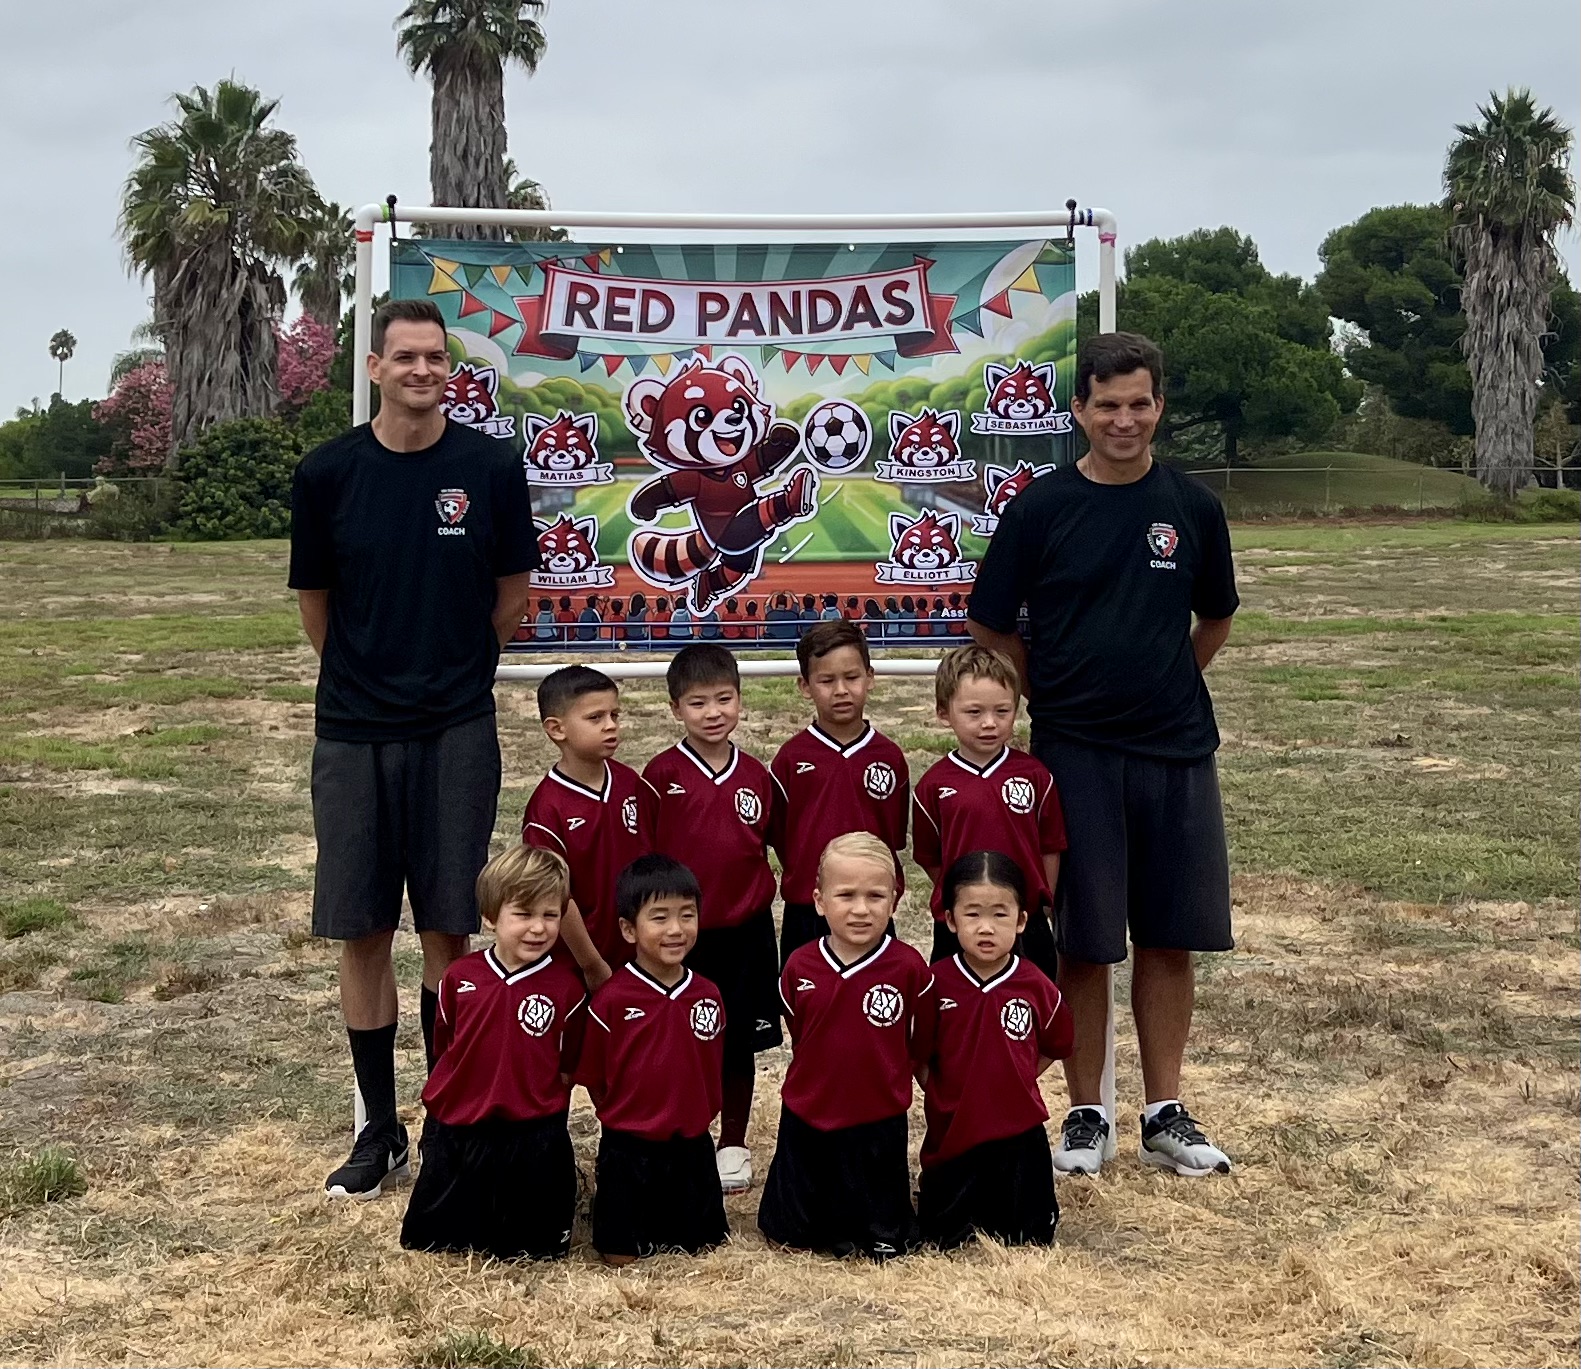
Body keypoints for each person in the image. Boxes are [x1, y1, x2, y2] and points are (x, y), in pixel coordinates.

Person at [968, 331, 1239, 1179]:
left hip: (1175, 749)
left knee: (1169, 935)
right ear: (1079, 409)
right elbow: (989, 620)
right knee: (1084, 939)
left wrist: (1164, 678)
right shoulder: (1040, 508)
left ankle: (1165, 1111)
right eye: (1106, 404)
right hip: (1075, 752)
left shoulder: (1191, 507)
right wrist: (1047, 691)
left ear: (1159, 405)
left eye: (1139, 402)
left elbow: (1216, 617)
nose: (1124, 419)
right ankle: (1086, 1113)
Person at [289, 298, 539, 1200]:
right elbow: (316, 605)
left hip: (455, 726)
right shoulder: (326, 473)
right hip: (353, 732)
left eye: (437, 357)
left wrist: (453, 671)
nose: (424, 370)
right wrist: (368, 677)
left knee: (447, 926)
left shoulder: (488, 466)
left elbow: (510, 593)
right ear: (374, 366)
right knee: (362, 929)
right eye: (407, 357)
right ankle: (376, 1128)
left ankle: (446, 1118)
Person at [399, 845, 586, 1260]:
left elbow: (569, 1063)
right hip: (462, 1129)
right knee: (436, 1243)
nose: (538, 928)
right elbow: (445, 1045)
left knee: (534, 1252)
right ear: (490, 916)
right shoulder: (458, 978)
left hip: (533, 1134)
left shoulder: (567, 988)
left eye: (550, 915)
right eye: (523, 914)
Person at [642, 645, 782, 1195]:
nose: (713, 712)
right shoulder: (661, 775)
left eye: (724, 699)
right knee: (679, 1036)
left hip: (745, 931)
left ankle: (734, 1143)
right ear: (677, 709)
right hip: (682, 937)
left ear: (740, 701)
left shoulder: (756, 775)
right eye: (698, 703)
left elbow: (774, 848)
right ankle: (680, 1132)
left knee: (736, 1041)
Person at [757, 833, 933, 1260]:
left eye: (875, 896)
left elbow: (921, 1040)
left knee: (881, 1240)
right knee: (793, 1237)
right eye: (846, 895)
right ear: (819, 901)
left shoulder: (909, 968)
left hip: (878, 1115)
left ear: (894, 901)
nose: (860, 909)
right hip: (809, 1112)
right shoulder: (799, 965)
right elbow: (802, 1030)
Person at [914, 851, 1073, 1249]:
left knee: (1029, 1238)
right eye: (972, 915)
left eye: (1000, 915)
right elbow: (917, 1056)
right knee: (942, 1237)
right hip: (953, 1131)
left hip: (1018, 1133)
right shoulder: (934, 985)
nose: (986, 928)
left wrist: (1014, 1079)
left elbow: (1056, 1044)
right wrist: (946, 1091)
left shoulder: (1036, 985)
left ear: (1021, 921)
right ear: (950, 920)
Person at [576, 855, 729, 1264]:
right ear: (629, 928)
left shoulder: (708, 994)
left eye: (687, 915)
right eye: (659, 918)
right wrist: (624, 1114)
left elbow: (712, 1066)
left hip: (691, 1147)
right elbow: (595, 1076)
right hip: (629, 1150)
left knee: (704, 1251)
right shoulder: (611, 1000)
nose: (676, 929)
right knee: (620, 1257)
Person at [911, 645, 1065, 979]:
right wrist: (964, 896)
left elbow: (1050, 846)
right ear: (943, 712)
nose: (989, 723)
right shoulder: (932, 786)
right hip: (959, 922)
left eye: (1002, 711)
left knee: (1030, 1010)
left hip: (1023, 919)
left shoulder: (1036, 776)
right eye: (974, 712)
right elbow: (930, 857)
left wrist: (1038, 902)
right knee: (954, 1015)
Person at [769, 619, 910, 961]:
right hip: (808, 908)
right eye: (827, 680)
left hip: (872, 907)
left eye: (851, 677)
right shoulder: (790, 759)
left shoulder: (889, 756)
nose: (841, 690)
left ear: (870, 677)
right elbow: (781, 837)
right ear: (805, 686)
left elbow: (892, 836)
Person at [520, 665, 655, 981]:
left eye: (615, 715)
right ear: (556, 729)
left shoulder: (631, 783)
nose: (611, 726)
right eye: (596, 718)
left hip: (641, 954)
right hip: (578, 966)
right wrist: (591, 964)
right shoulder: (546, 809)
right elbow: (554, 896)